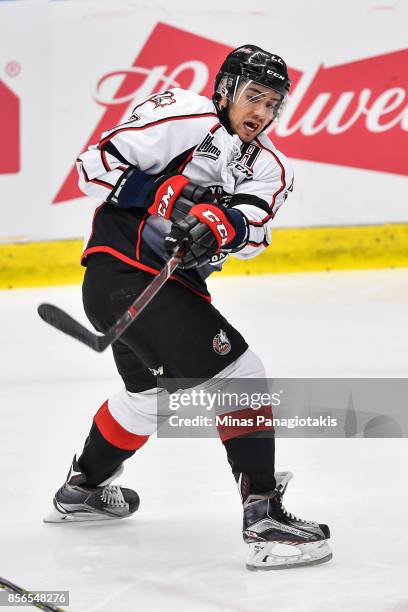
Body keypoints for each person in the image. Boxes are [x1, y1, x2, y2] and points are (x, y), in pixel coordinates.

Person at [45, 45, 332, 570]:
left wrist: (226, 223)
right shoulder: (183, 114)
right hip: (122, 274)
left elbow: (252, 229)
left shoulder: (271, 165)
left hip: (170, 290)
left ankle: (82, 489)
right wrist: (166, 196)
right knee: (242, 376)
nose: (263, 113)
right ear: (225, 91)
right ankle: (264, 517)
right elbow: (92, 169)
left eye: (273, 104)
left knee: (150, 399)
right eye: (254, 97)